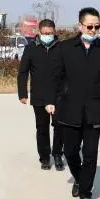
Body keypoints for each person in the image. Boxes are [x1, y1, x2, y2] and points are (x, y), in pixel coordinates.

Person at [46, 7, 100, 199]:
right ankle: (79, 178)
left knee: (90, 153)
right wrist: (51, 101)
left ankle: (86, 193)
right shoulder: (65, 48)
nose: (93, 30)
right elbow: (55, 78)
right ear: (80, 26)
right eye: (89, 26)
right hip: (69, 108)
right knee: (70, 151)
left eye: (97, 26)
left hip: (95, 109)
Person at [17, 19, 65, 170]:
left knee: (60, 126)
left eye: (50, 33)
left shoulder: (62, 48)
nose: (47, 36)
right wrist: (22, 93)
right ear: (39, 32)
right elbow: (23, 72)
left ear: (54, 32)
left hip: (59, 95)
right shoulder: (31, 48)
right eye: (45, 33)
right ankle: (45, 157)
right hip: (39, 95)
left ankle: (57, 154)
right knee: (42, 128)